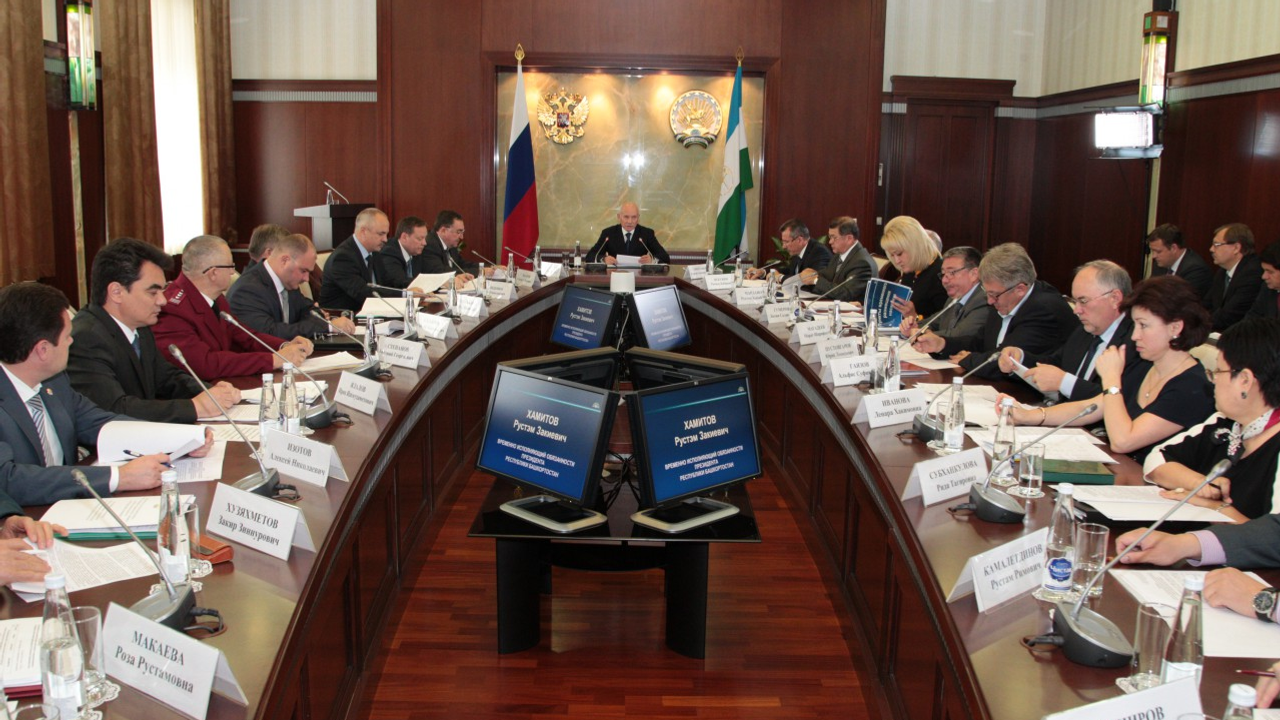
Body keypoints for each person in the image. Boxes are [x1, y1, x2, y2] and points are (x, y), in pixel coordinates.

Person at [1000, 276, 1213, 461]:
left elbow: (1123, 441)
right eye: (1135, 325)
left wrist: (1111, 379)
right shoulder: (1150, 367)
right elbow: (1092, 407)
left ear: (1175, 327)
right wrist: (1030, 416)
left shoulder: (1191, 386)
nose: (1135, 335)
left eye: (1144, 325)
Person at [0, 282, 178, 504]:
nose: (72, 341)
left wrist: (180, 438)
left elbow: (99, 423)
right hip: (26, 517)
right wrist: (118, 478)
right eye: (67, 336)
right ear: (43, 350)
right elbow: (9, 479)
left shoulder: (55, 383)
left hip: (68, 507)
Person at [69, 237, 241, 424]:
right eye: (153, 292)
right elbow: (114, 409)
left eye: (162, 290)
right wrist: (195, 407)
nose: (163, 300)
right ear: (116, 292)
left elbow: (166, 378)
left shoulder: (140, 327)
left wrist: (211, 392)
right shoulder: (86, 338)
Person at [1139, 317, 1280, 522]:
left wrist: (1215, 507)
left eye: (1218, 371)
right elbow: (1156, 460)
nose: (1212, 380)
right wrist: (1200, 483)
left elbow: (1273, 537)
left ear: (1245, 380)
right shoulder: (1225, 422)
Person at [154, 235, 313, 380]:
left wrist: (284, 346)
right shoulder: (173, 310)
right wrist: (273, 360)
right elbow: (205, 364)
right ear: (213, 273)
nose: (232, 272)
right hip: (199, 393)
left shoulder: (217, 298)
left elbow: (244, 336)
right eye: (230, 266)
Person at [912, 242, 1075, 379]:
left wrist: (969, 359)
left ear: (1020, 289)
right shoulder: (1003, 298)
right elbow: (979, 342)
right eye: (987, 293)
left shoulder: (1043, 310)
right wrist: (942, 344)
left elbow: (1004, 361)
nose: (989, 301)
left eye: (994, 295)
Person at [997, 260, 1140, 402]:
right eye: (1075, 301)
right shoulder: (1083, 332)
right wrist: (1019, 359)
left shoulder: (1136, 342)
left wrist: (1064, 382)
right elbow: (1054, 364)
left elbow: (1119, 397)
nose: (1076, 310)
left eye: (1083, 301)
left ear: (1115, 298)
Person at [227, 233, 357, 339]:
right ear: (285, 260)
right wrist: (326, 327)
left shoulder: (287, 282)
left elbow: (310, 310)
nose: (306, 279)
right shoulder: (247, 290)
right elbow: (269, 333)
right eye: (303, 271)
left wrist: (314, 321)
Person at [904, 246, 991, 355]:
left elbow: (959, 335)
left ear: (974, 274)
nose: (944, 280)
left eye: (951, 273)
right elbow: (932, 322)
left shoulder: (984, 299)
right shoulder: (952, 299)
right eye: (943, 274)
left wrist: (922, 334)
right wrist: (913, 327)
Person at [318, 207, 393, 312]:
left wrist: (410, 292)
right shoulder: (342, 258)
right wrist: (403, 295)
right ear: (363, 232)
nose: (385, 239)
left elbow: (388, 283)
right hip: (341, 316)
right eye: (381, 234)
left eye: (386, 234)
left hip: (369, 312)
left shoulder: (374, 251)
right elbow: (363, 293)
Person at [879, 215, 946, 318]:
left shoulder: (941, 275)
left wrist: (915, 317)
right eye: (892, 255)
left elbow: (945, 322)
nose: (897, 261)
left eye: (899, 254)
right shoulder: (910, 270)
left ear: (915, 247)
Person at [797, 216, 873, 303]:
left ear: (849, 239)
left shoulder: (861, 262)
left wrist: (815, 280)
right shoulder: (839, 254)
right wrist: (813, 274)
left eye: (834, 237)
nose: (830, 242)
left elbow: (846, 294)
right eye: (830, 237)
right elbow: (827, 276)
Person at [1207, 222, 1264, 332]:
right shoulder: (1222, 271)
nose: (1211, 249)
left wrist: (1198, 325)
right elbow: (1207, 304)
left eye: (1216, 245)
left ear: (1236, 248)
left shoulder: (1252, 273)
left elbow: (1231, 315)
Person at [585, 202, 670, 265]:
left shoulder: (646, 233)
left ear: (638, 218)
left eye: (634, 217)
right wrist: (604, 259)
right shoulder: (608, 233)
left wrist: (652, 260)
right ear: (619, 217)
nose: (630, 221)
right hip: (615, 276)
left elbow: (665, 257)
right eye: (626, 217)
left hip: (639, 277)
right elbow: (590, 256)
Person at [751, 219, 832, 283]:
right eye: (782, 242)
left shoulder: (819, 252)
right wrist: (763, 273)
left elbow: (811, 280)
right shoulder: (797, 251)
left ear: (799, 240)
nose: (783, 246)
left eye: (786, 242)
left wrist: (780, 277)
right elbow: (790, 271)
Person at [1147, 223, 1212, 301]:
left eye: (1158, 251)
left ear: (1173, 248)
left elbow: (1182, 302)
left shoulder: (1196, 270)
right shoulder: (1160, 264)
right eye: (1152, 251)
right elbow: (1150, 292)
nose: (1154, 256)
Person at [421, 210, 483, 287]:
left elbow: (462, 264)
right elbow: (441, 272)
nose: (461, 237)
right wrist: (480, 272)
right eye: (458, 232)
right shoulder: (429, 244)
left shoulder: (451, 244)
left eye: (462, 232)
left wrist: (484, 268)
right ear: (443, 231)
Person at [376, 215, 431, 290]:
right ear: (404, 237)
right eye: (420, 239)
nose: (424, 243)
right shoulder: (389, 252)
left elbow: (430, 272)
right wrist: (427, 283)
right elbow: (399, 281)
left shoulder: (417, 252)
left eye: (425, 238)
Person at [1248, 241, 1280, 319]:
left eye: (1270, 272)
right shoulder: (1266, 288)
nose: (1264, 276)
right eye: (1264, 270)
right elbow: (1252, 320)